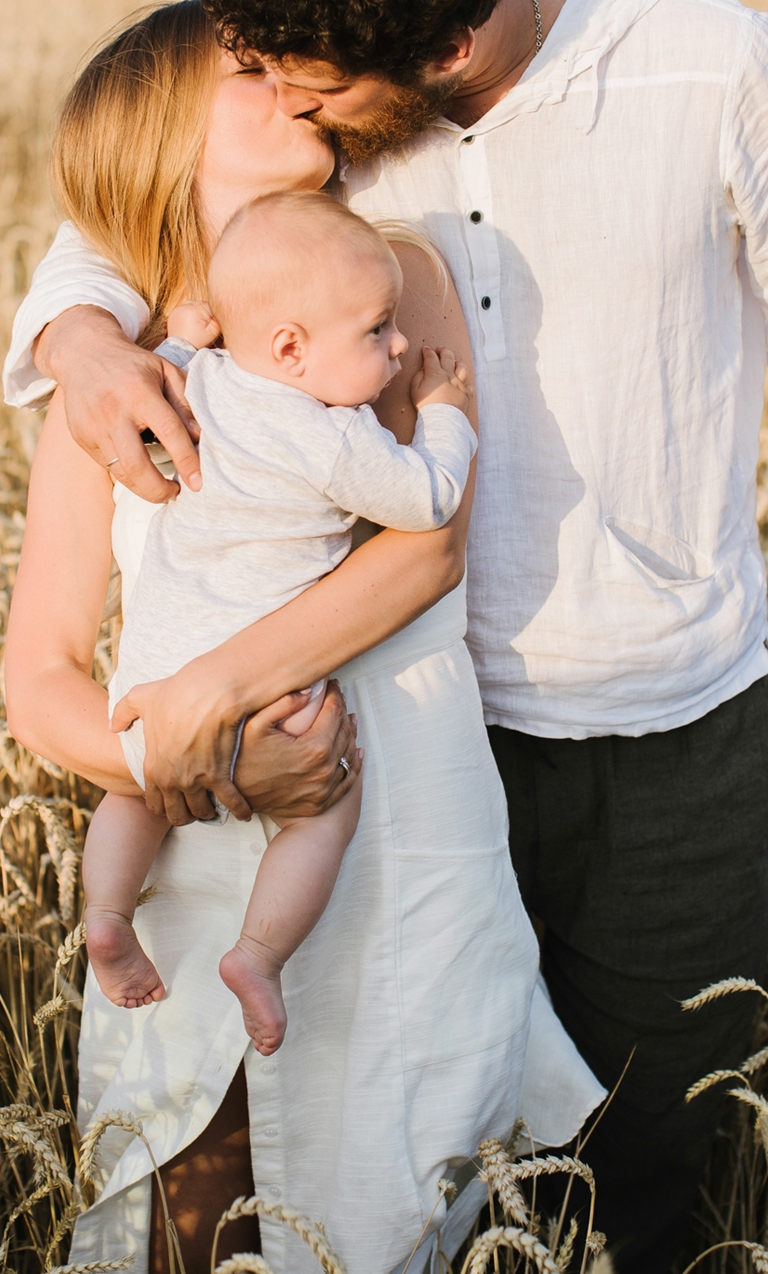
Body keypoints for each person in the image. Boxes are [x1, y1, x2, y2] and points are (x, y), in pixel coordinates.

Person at [6, 0, 768, 1274]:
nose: (287, 93)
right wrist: (77, 340)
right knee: (287, 1181)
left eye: (306, 81)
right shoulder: (278, 164)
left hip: (624, 714)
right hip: (400, 753)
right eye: (262, 75)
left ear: (415, 57)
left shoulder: (685, 76)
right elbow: (122, 197)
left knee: (632, 1144)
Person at [3, 0, 603, 1274]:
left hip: (392, 824)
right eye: (247, 71)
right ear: (164, 131)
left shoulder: (381, 277)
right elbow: (38, 674)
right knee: (184, 1215)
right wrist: (170, 755)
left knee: (393, 1234)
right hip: (195, 840)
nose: (291, 84)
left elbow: (428, 542)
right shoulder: (108, 371)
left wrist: (218, 687)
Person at [85, 189, 477, 1059]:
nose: (400, 343)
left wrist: (186, 326)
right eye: (378, 331)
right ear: (293, 349)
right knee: (324, 808)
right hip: (269, 686)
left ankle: (107, 918)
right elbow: (429, 500)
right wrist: (444, 410)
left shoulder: (205, 383)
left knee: (131, 790)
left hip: (155, 666)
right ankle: (259, 957)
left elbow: (176, 354)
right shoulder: (332, 438)